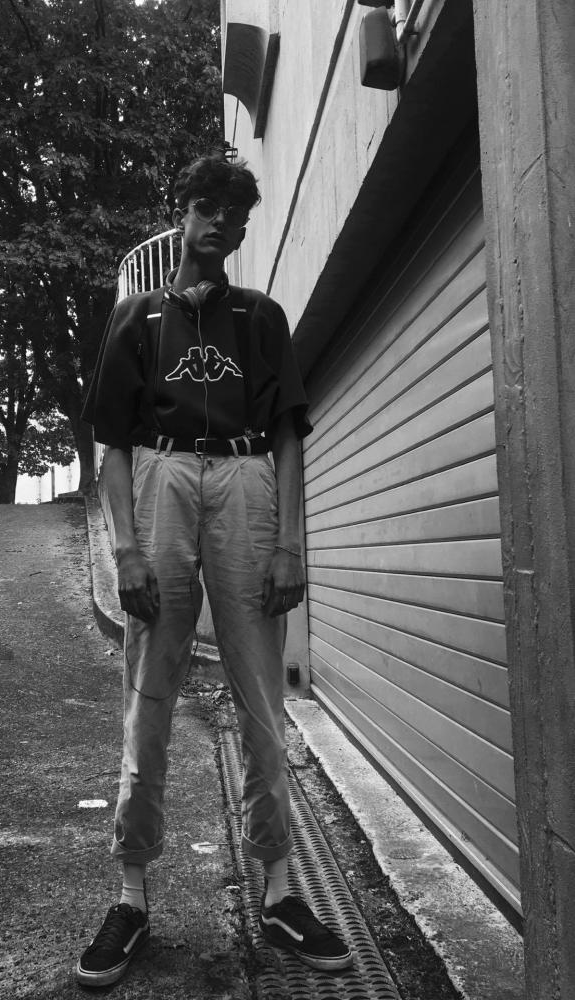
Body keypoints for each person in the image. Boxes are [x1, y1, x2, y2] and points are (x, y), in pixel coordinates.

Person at [77, 154, 353, 987]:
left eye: (234, 217)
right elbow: (112, 443)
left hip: (246, 479)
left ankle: (281, 891)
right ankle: (131, 896)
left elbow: (289, 434)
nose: (220, 226)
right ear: (183, 212)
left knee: (262, 694)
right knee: (148, 690)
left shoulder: (260, 318)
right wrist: (125, 549)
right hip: (161, 476)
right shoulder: (137, 318)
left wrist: (290, 544)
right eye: (207, 209)